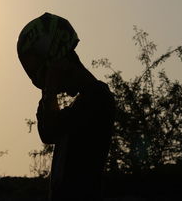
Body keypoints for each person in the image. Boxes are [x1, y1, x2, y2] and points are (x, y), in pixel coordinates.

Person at [17, 13, 115, 201]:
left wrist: (50, 91)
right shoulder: (86, 101)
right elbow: (47, 131)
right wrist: (49, 90)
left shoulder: (98, 98)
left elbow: (50, 131)